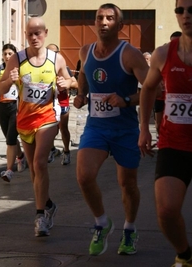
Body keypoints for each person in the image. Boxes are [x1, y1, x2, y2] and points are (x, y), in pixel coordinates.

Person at [73, 3, 149, 256]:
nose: (103, 22)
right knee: (84, 175)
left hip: (125, 128)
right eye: (99, 18)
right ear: (94, 23)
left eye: (109, 18)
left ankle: (130, 229)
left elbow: (152, 89)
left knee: (127, 183)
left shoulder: (130, 54)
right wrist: (81, 94)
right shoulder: (86, 51)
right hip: (97, 126)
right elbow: (84, 74)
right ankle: (102, 223)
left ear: (120, 25)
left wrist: (126, 100)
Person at [0, 17, 72, 237]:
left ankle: (40, 216)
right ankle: (48, 203)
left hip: (47, 119)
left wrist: (65, 83)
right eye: (30, 34)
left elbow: (71, 81)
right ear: (25, 34)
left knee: (40, 163)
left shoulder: (56, 59)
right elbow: (1, 86)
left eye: (38, 33)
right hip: (25, 121)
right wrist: (9, 81)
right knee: (33, 169)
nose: (34, 37)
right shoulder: (18, 59)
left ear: (45, 33)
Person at [139, 1, 192, 266]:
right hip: (175, 142)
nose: (185, 16)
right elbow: (148, 88)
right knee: (167, 210)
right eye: (180, 11)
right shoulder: (163, 54)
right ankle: (185, 255)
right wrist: (144, 130)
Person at [0, 43, 27, 182]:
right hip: (2, 108)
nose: (7, 56)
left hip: (15, 107)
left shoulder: (20, 69)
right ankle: (20, 156)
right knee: (10, 138)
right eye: (5, 54)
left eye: (10, 54)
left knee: (10, 140)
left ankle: (8, 170)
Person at [46, 43, 78, 165]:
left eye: (54, 53)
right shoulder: (42, 65)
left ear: (58, 53)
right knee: (49, 129)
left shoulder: (64, 67)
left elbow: (76, 84)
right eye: (48, 52)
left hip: (62, 101)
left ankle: (66, 151)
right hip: (48, 103)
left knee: (63, 128)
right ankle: (52, 150)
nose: (51, 55)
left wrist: (66, 83)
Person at [153, 31, 182, 141]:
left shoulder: (187, 58)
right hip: (161, 97)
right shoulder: (162, 56)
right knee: (159, 122)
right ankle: (161, 138)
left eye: (177, 42)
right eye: (171, 42)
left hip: (179, 99)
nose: (174, 45)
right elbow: (149, 85)